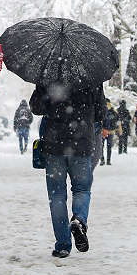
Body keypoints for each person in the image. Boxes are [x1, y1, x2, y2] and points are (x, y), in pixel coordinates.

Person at [30, 82, 106, 258]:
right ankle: (79, 219)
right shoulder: (93, 74)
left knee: (57, 195)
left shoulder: (47, 72)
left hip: (53, 143)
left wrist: (41, 89)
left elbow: (36, 108)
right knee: (82, 188)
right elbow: (100, 113)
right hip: (82, 143)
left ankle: (63, 245)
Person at [100, 99, 116, 165]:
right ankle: (108, 159)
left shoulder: (101, 108)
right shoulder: (113, 110)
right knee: (109, 146)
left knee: (101, 146)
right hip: (111, 130)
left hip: (102, 130)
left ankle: (102, 159)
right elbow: (117, 120)